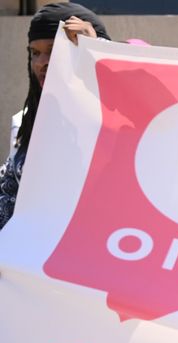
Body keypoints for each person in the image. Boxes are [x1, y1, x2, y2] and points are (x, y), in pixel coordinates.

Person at [2, 2, 108, 230]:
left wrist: (98, 50)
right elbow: (9, 195)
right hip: (36, 259)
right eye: (35, 52)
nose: (41, 62)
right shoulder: (25, 122)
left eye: (53, 50)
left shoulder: (115, 120)